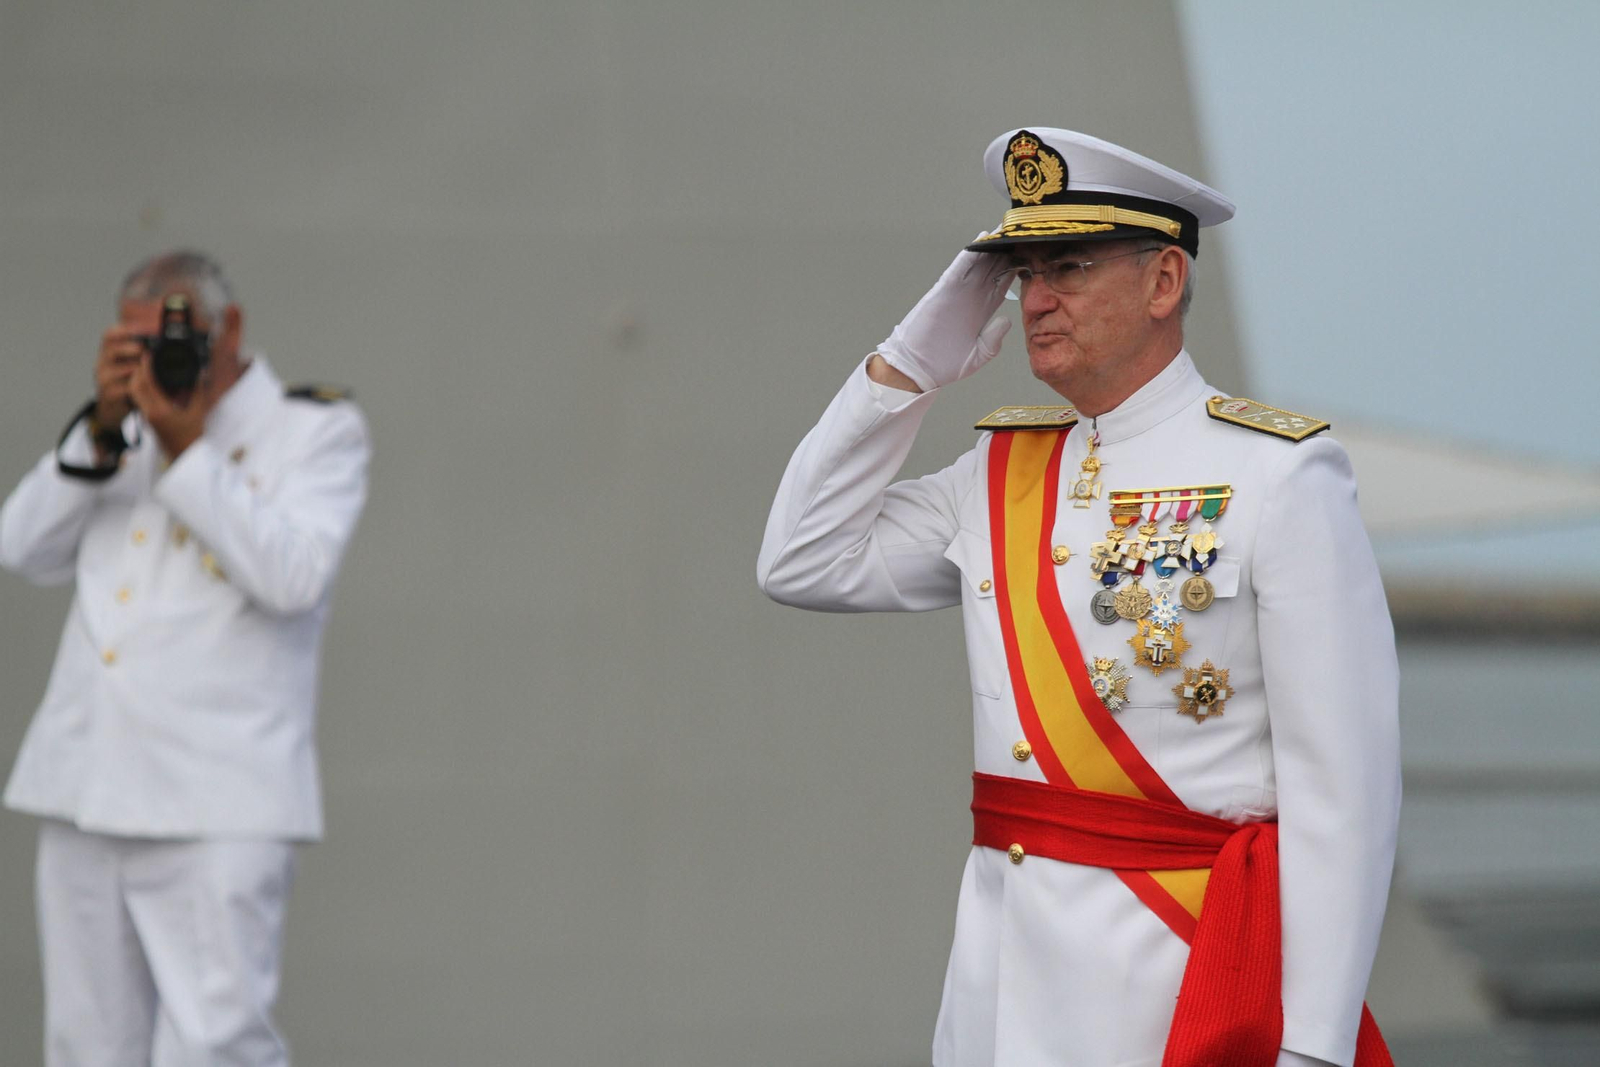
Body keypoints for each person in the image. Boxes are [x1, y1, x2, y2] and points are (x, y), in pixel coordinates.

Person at [758, 128, 1400, 1067]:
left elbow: (1344, 791)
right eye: (1022, 272)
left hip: (1176, 980)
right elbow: (799, 558)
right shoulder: (999, 472)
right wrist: (911, 361)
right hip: (998, 984)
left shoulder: (1279, 476)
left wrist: (1310, 1046)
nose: (1037, 298)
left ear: (1164, 282)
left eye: (1068, 265)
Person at [0, 250, 371, 1065]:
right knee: (84, 1045)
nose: (157, 360)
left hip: (217, 800)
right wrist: (102, 427)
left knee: (214, 1045)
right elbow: (21, 547)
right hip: (86, 784)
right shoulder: (116, 430)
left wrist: (188, 449)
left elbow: (293, 577)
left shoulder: (311, 431)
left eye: (173, 337)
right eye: (132, 342)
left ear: (228, 329)